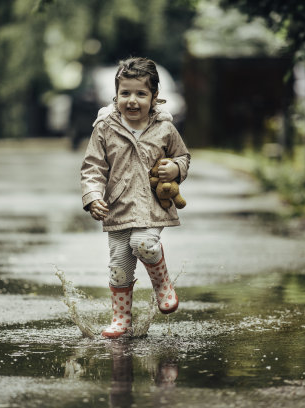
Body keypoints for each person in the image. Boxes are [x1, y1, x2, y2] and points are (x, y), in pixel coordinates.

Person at [80, 57, 191, 339]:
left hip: (152, 204)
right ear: (115, 95)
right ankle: (121, 319)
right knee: (119, 265)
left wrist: (176, 167)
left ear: (154, 97)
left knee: (143, 243)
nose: (132, 100)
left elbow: (183, 155)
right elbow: (93, 167)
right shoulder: (105, 128)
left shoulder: (165, 128)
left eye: (141, 94)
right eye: (124, 93)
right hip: (116, 208)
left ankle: (162, 283)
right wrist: (93, 197)